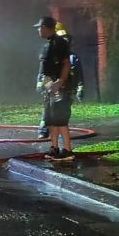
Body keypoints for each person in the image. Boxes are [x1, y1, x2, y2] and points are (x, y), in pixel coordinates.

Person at [35, 16, 75, 161]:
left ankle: (67, 150)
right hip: (49, 88)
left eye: (40, 27)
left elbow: (65, 63)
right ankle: (54, 148)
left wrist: (60, 81)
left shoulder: (60, 43)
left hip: (60, 88)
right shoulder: (47, 45)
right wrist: (43, 84)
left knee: (61, 120)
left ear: (46, 28)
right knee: (51, 119)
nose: (38, 30)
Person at [36, 22, 83, 139]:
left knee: (63, 110)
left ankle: (60, 132)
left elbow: (78, 73)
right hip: (51, 87)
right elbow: (43, 70)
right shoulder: (49, 53)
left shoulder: (72, 57)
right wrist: (40, 82)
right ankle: (44, 129)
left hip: (66, 88)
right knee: (48, 108)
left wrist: (80, 88)